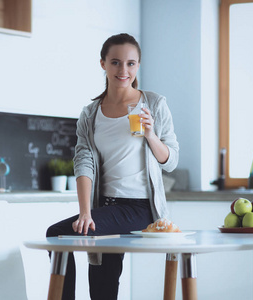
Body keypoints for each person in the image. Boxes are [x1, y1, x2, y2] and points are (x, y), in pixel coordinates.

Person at [46, 33, 179, 300]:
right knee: (102, 287)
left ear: (138, 66)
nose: (123, 70)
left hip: (139, 208)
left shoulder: (153, 104)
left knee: (57, 233)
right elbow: (84, 162)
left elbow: (171, 161)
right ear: (103, 64)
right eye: (116, 62)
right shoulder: (91, 113)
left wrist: (151, 135)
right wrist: (85, 213)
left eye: (131, 63)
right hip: (104, 206)